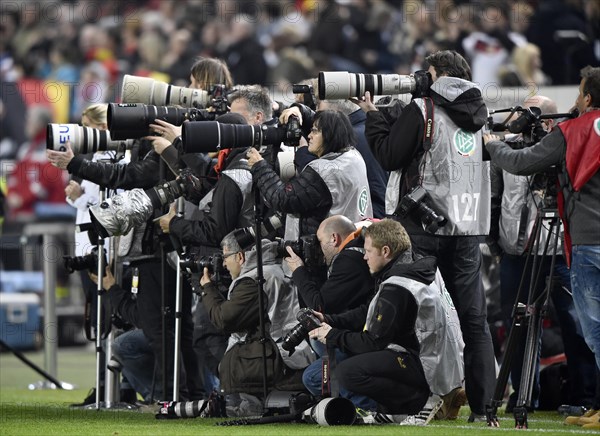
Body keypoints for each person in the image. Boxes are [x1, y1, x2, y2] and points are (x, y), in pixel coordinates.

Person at [354, 49, 495, 422]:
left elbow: (388, 155)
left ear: (439, 75)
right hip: (467, 227)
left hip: (422, 226)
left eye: (427, 73)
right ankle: (484, 408)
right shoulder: (481, 112)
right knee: (473, 318)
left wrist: (372, 117)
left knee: (419, 317)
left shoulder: (424, 108)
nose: (422, 78)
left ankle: (423, 398)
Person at [484, 65, 600, 429]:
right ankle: (533, 398)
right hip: (522, 249)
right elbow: (498, 196)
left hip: (575, 245)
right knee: (522, 323)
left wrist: (493, 143)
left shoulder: (570, 134)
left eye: (581, 93)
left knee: (587, 327)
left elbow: (521, 164)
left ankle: (587, 399)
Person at [306, 219, 442, 425]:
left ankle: (417, 402)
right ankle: (394, 406)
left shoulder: (397, 284)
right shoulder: (408, 269)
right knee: (322, 371)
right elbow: (366, 314)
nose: (364, 256)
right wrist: (329, 321)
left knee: (347, 372)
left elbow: (372, 342)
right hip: (427, 357)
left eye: (368, 251)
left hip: (424, 363)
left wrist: (332, 335)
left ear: (385, 251)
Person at [198, 233, 314, 396]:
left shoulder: (254, 280)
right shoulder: (271, 270)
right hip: (285, 355)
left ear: (239, 257)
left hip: (274, 361)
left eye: (225, 257)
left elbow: (224, 319)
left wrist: (208, 289)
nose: (224, 264)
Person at [247, 109, 373, 242]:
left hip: (327, 249)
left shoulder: (324, 172)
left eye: (315, 131)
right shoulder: (353, 155)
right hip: (354, 238)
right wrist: (298, 110)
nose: (309, 136)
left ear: (330, 135)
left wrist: (259, 166)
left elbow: (283, 199)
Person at [284, 214, 373, 314]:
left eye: (320, 241)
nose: (318, 248)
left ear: (334, 238)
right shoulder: (358, 248)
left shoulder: (349, 260)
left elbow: (319, 306)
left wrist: (298, 270)